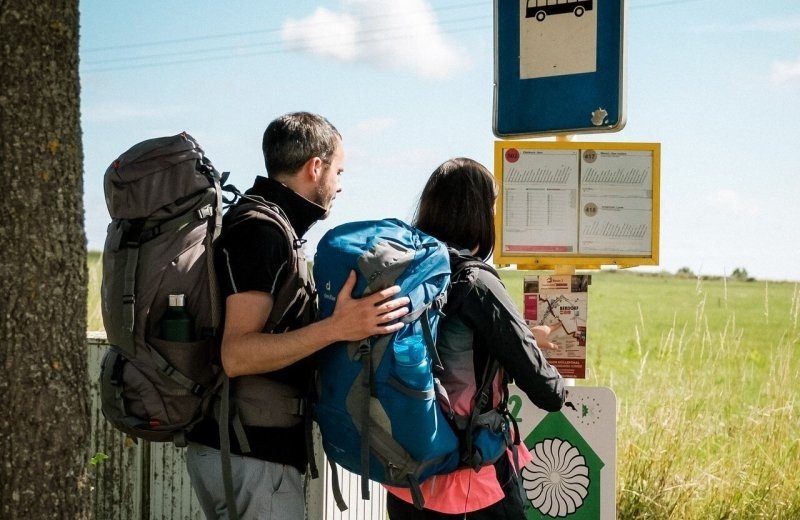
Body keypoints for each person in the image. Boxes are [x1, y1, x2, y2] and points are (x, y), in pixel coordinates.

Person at [186, 112, 410, 520]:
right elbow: (237, 354)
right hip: (252, 452)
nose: (340, 184)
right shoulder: (262, 232)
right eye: (338, 171)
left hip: (240, 448)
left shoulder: (266, 223)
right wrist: (338, 327)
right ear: (316, 167)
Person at [385, 158, 566, 519]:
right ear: (479, 213)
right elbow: (546, 391)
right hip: (468, 481)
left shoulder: (408, 272)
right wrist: (555, 381)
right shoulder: (476, 282)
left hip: (408, 478)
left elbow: (449, 339)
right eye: (494, 207)